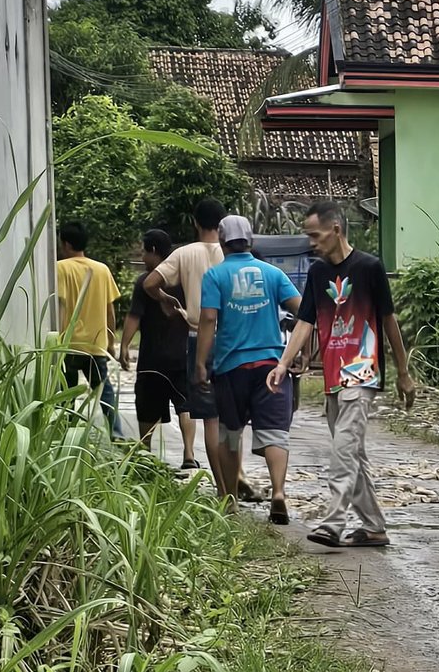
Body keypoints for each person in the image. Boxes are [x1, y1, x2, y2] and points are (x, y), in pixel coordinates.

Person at [268, 199, 416, 549]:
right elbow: (305, 322)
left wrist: (403, 371)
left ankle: (333, 522)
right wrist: (283, 363)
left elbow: (389, 321)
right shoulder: (318, 273)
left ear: (335, 230)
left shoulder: (369, 267)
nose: (311, 243)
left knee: (343, 449)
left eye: (315, 236)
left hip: (362, 372)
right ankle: (374, 527)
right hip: (334, 375)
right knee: (352, 452)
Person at [196, 215, 302, 524]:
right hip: (271, 365)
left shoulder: (215, 275)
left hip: (231, 367)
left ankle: (230, 500)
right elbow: (302, 309)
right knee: (275, 433)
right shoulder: (273, 273)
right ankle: (278, 492)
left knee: (230, 432)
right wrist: (301, 349)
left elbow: (208, 319)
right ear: (250, 241)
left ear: (222, 242)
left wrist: (201, 363)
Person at [145, 198, 246, 497]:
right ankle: (237, 474)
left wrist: (166, 299)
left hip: (198, 337)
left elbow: (150, 283)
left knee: (211, 420)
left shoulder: (184, 253)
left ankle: (223, 491)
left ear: (195, 222)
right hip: (234, 339)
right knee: (233, 419)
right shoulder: (233, 254)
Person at [119, 229, 195, 460]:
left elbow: (134, 316)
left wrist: (124, 346)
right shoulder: (184, 280)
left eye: (144, 252)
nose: (142, 258)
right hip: (182, 355)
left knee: (148, 406)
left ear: (153, 250)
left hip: (152, 358)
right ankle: (189, 454)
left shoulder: (147, 281)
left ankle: (145, 452)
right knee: (185, 405)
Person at [54, 221, 120, 434]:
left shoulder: (60, 268)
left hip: (69, 345)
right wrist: (111, 343)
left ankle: (65, 436)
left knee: (66, 396)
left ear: (65, 244)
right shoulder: (102, 270)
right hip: (96, 344)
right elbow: (110, 311)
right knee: (104, 392)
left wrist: (57, 342)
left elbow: (61, 306)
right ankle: (117, 433)